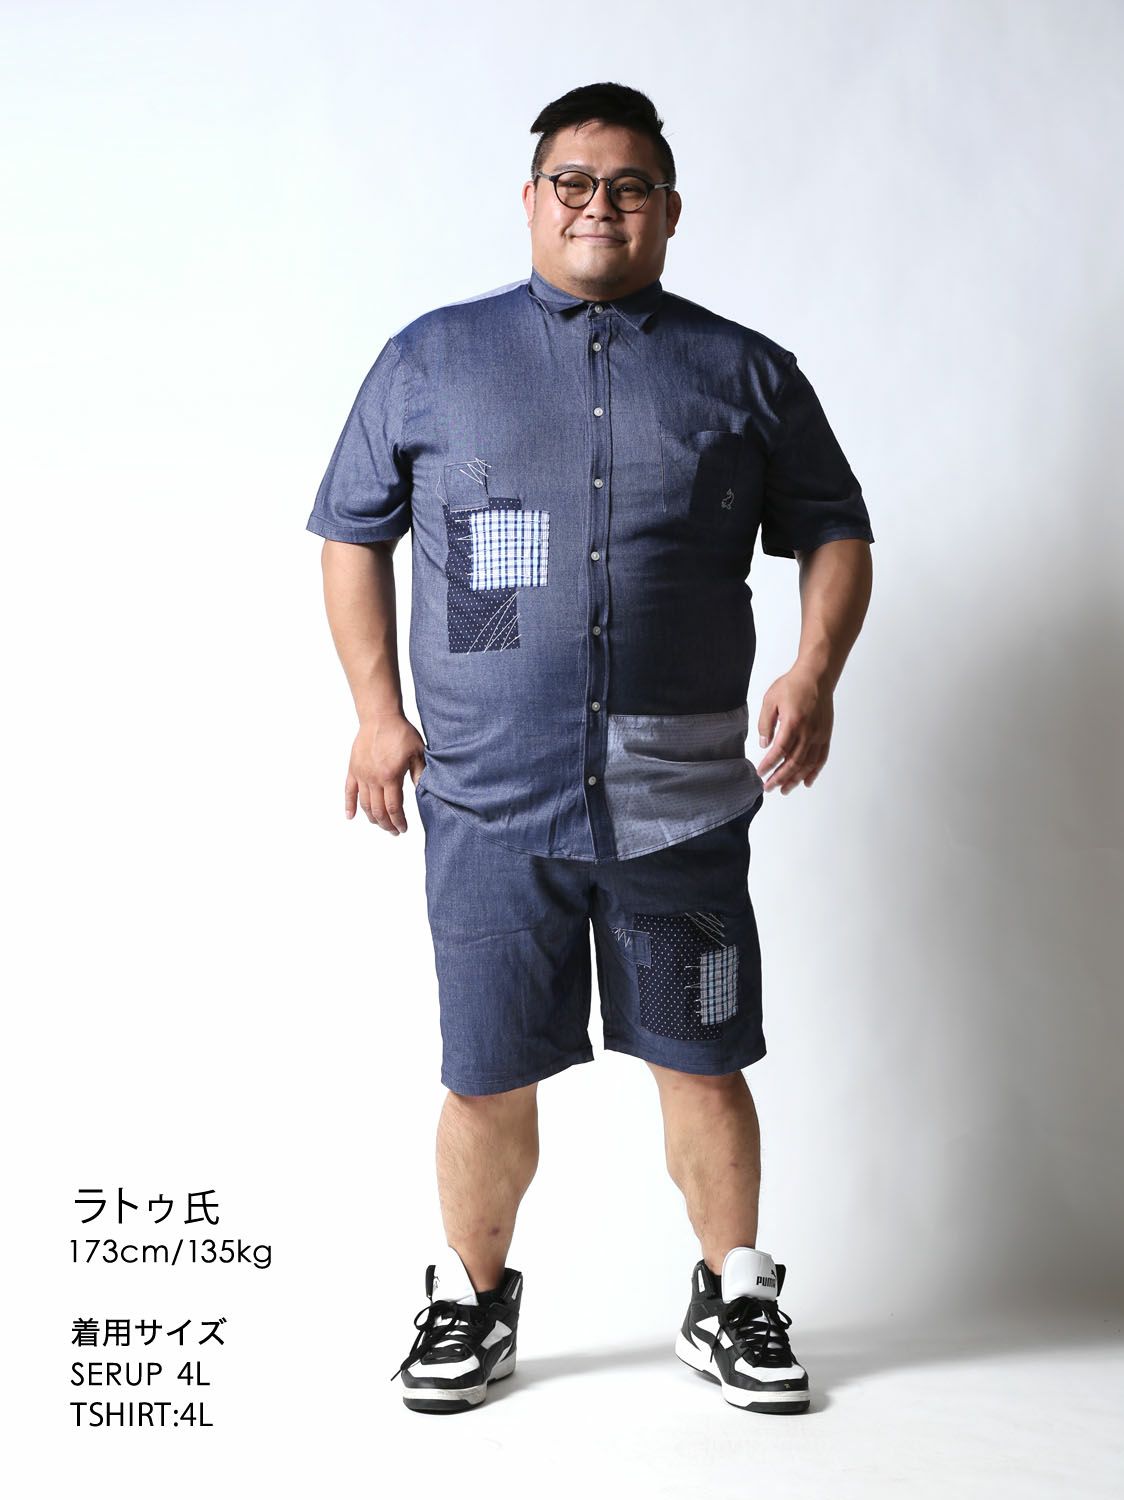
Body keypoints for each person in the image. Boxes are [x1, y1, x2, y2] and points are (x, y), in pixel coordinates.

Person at [305, 81, 874, 1416]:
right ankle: (469, 1301)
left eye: (627, 186)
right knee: (486, 1067)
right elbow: (350, 532)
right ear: (531, 200)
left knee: (704, 1060)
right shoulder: (432, 361)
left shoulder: (747, 373)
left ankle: (734, 1294)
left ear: (669, 209)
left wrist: (815, 669)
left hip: (680, 805)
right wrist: (377, 711)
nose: (598, 205)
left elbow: (836, 528)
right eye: (573, 181)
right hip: (490, 803)